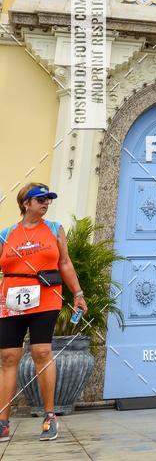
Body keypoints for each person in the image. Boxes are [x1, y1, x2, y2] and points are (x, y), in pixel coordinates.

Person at [0, 183, 87, 443]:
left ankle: (50, 417)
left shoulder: (54, 229)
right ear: (25, 204)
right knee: (8, 357)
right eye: (40, 199)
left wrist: (78, 294)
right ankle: (3, 422)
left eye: (48, 199)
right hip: (11, 299)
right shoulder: (6, 234)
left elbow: (64, 262)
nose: (46, 203)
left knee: (41, 352)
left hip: (46, 296)